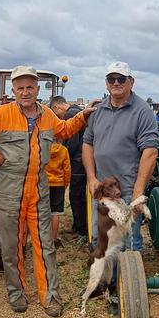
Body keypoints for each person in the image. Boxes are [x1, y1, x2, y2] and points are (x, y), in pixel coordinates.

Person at [0, 65, 97, 318]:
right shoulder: (0, 115)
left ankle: (50, 295)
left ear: (37, 89)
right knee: (12, 246)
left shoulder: (46, 115)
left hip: (39, 189)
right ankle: (17, 292)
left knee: (45, 245)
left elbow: (64, 131)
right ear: (13, 90)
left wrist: (83, 116)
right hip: (8, 190)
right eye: (20, 88)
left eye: (30, 87)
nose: (25, 92)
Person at [82, 61, 158, 254]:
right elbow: (87, 144)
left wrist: (138, 192)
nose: (116, 83)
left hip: (126, 191)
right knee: (100, 237)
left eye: (121, 79)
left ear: (131, 82)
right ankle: (105, 282)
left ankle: (127, 283)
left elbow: (150, 152)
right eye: (111, 79)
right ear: (106, 83)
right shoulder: (98, 111)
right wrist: (91, 178)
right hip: (101, 189)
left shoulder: (142, 111)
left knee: (127, 243)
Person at [49, 95, 89, 240]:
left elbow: (72, 142)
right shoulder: (77, 111)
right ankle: (79, 226)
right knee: (78, 195)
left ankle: (81, 229)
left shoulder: (70, 115)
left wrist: (63, 155)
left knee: (76, 195)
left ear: (56, 107)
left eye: (55, 115)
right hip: (82, 160)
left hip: (77, 162)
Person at [46, 137, 70, 247]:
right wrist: (65, 184)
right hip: (59, 184)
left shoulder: (43, 148)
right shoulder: (63, 150)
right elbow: (67, 169)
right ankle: (54, 239)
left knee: (42, 212)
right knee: (55, 213)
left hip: (44, 184)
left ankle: (42, 238)